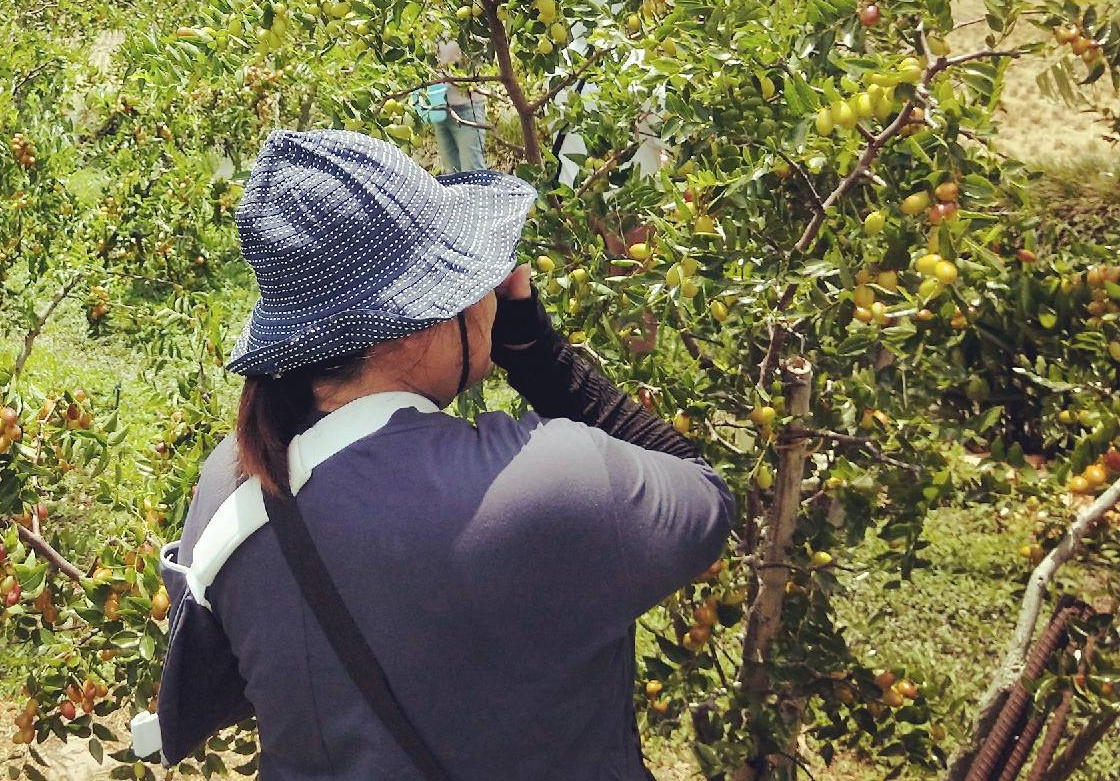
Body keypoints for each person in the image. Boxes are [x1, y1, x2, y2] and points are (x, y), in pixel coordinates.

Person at [142, 130, 734, 779]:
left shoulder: (229, 486)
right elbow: (704, 497)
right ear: (422, 316)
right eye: (473, 272)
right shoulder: (551, 482)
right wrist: (536, 350)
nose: (491, 288)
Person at [432, 39, 487, 172]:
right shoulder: (430, 24)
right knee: (452, 174)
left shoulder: (468, 29)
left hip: (466, 108)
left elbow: (454, 59)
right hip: (439, 108)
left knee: (473, 171)